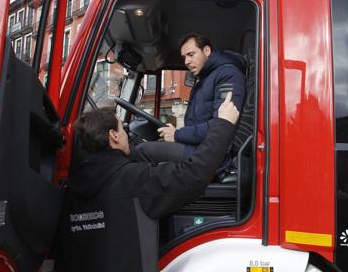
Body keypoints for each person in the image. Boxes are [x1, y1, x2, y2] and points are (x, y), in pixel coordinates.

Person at [56, 93, 240, 272]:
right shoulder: (135, 180)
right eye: (123, 129)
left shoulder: (70, 189)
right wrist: (223, 125)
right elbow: (194, 174)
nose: (127, 135)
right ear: (113, 136)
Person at [132, 33, 246, 163]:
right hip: (200, 148)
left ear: (206, 51)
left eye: (191, 54)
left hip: (213, 154)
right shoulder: (205, 78)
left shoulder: (228, 75)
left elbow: (221, 126)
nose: (186, 62)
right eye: (184, 57)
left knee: (142, 151)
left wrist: (177, 135)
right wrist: (176, 134)